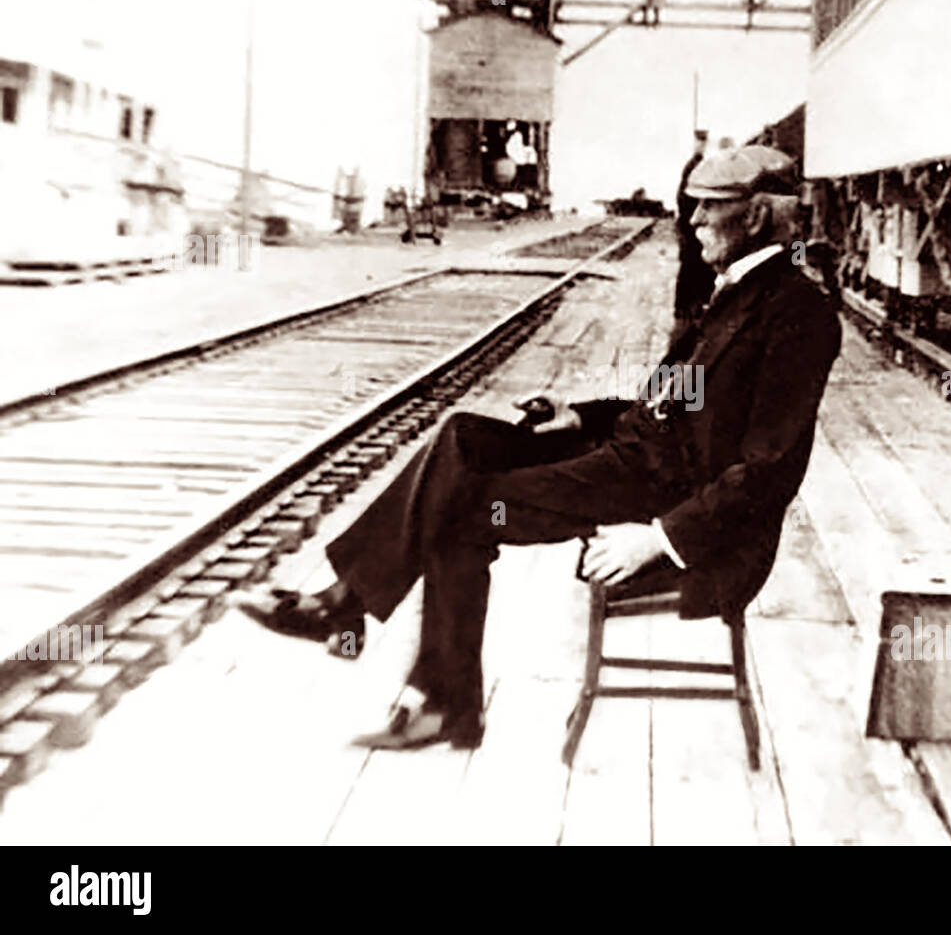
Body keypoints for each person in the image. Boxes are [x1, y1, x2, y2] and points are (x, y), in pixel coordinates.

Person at [241, 145, 843, 750]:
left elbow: (769, 470)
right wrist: (577, 416)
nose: (693, 221)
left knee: (463, 512)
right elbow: (675, 401)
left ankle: (430, 689)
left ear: (758, 218)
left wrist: (658, 536)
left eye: (711, 207)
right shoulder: (733, 291)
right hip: (631, 463)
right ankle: (356, 616)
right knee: (462, 436)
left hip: (669, 502)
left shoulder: (798, 313)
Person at [671, 130, 714, 342]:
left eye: (703, 142)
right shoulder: (695, 166)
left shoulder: (695, 165)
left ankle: (688, 308)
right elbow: (685, 199)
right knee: (692, 266)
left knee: (692, 267)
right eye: (700, 142)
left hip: (689, 227)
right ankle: (686, 310)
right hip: (690, 229)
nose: (702, 146)